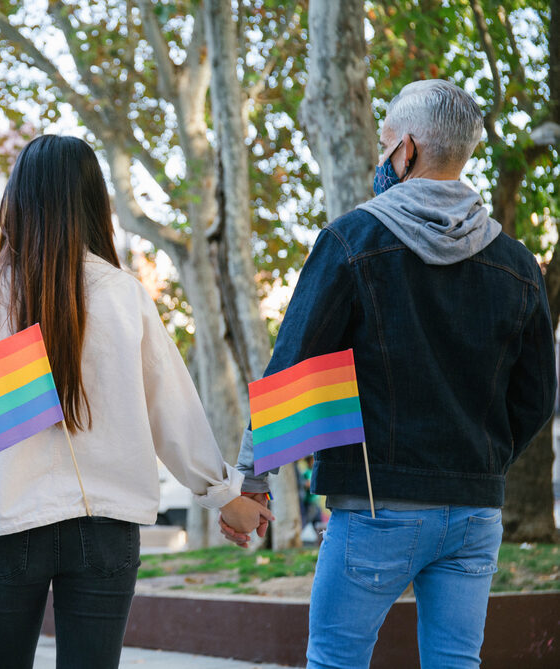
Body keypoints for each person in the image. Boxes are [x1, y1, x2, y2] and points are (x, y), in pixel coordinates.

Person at [0, 134, 272, 669]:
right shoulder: (125, 296)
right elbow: (175, 417)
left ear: (15, 204)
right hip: (108, 530)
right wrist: (226, 496)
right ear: (95, 204)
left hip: (11, 528)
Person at [231, 79, 556, 668]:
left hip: (377, 503)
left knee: (336, 660)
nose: (382, 157)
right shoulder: (517, 264)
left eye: (385, 144)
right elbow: (538, 398)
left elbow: (294, 365)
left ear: (405, 150)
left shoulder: (352, 239)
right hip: (475, 510)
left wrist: (253, 474)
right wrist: (480, 463)